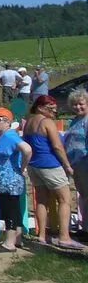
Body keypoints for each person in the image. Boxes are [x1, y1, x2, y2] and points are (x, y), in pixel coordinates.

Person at [22, 96, 83, 250]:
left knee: (42, 200)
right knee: (65, 199)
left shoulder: (29, 122)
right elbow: (56, 146)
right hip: (50, 164)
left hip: (34, 165)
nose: (54, 111)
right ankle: (64, 237)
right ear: (41, 107)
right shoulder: (46, 122)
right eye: (51, 107)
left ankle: (41, 235)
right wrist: (67, 165)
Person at [0, 108, 31, 252]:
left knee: (9, 210)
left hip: (9, 180)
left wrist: (23, 167)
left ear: (7, 122)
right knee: (13, 209)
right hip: (3, 180)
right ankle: (17, 239)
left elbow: (27, 150)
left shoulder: (10, 136)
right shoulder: (1, 137)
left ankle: (9, 243)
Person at [62, 88, 88, 234]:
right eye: (75, 104)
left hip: (85, 161)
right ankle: (84, 227)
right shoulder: (74, 121)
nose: (78, 107)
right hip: (75, 164)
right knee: (83, 196)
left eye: (81, 104)